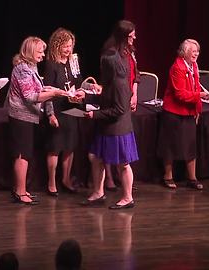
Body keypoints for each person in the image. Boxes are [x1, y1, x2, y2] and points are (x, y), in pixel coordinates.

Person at [78, 20, 139, 209]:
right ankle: (98, 192)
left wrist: (94, 115)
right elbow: (106, 97)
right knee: (95, 157)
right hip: (108, 125)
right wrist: (88, 96)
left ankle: (128, 197)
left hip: (118, 127)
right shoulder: (112, 79)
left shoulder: (120, 84)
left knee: (122, 163)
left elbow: (119, 110)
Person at [8, 36, 68, 204]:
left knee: (26, 153)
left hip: (30, 116)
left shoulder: (31, 66)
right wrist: (55, 93)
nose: (43, 55)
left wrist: (50, 90)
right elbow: (30, 96)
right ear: (30, 51)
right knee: (22, 153)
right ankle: (20, 192)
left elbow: (37, 89)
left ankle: (22, 189)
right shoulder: (22, 69)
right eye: (40, 51)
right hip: (21, 116)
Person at [43, 27, 99, 196]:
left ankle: (66, 179)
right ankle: (51, 182)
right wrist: (50, 114)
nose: (68, 50)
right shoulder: (51, 64)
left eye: (70, 46)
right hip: (58, 109)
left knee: (70, 146)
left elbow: (80, 82)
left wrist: (90, 87)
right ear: (57, 46)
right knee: (55, 147)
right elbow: (47, 92)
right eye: (65, 46)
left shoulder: (73, 61)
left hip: (71, 108)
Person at [157, 39, 209, 190]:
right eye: (193, 51)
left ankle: (192, 178)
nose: (196, 54)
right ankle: (168, 176)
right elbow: (180, 94)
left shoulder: (194, 65)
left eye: (197, 51)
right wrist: (200, 96)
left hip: (189, 112)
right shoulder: (177, 67)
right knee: (170, 146)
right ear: (184, 52)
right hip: (173, 112)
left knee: (191, 146)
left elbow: (196, 86)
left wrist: (198, 109)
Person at [103, 20, 141, 192]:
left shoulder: (130, 50)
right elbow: (111, 78)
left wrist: (134, 92)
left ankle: (125, 186)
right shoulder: (112, 53)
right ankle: (109, 178)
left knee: (121, 149)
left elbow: (135, 73)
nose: (134, 38)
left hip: (126, 96)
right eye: (131, 35)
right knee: (108, 143)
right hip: (119, 96)